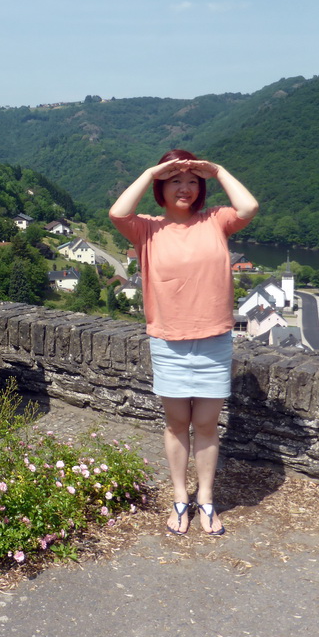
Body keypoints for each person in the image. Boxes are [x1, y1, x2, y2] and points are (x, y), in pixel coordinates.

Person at [109, 149, 258, 536]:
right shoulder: (147, 228)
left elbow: (249, 206)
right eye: (176, 181)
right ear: (161, 187)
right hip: (169, 341)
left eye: (192, 181)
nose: (186, 188)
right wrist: (150, 171)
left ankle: (205, 499)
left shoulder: (215, 221)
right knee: (177, 424)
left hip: (214, 339)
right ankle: (180, 497)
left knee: (207, 425)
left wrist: (220, 169)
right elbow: (117, 213)